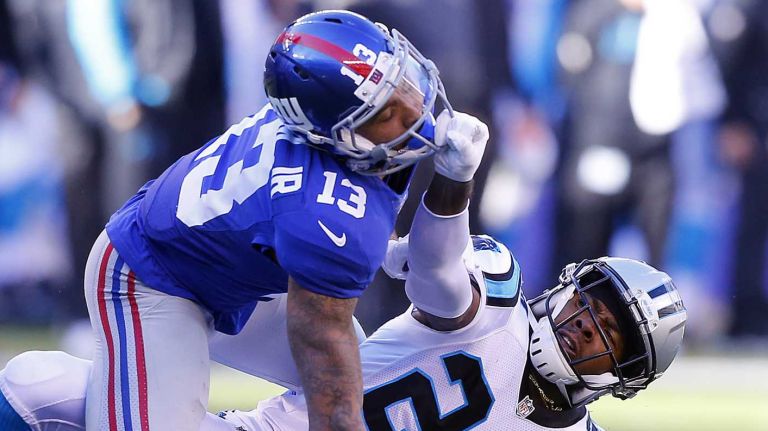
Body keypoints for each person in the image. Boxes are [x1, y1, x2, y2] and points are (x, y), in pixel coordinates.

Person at [0, 154, 686, 430]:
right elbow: (438, 270)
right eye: (589, 305)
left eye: (607, 335)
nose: (583, 326)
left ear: (620, 379)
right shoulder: (497, 308)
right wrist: (451, 183)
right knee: (36, 386)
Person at [43, 9, 489, 431]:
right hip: (153, 278)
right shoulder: (321, 211)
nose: (413, 110)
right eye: (386, 112)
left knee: (374, 389)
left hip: (243, 276)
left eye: (404, 81)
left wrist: (446, 186)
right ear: (331, 136)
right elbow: (329, 377)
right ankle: (39, 393)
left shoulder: (346, 139)